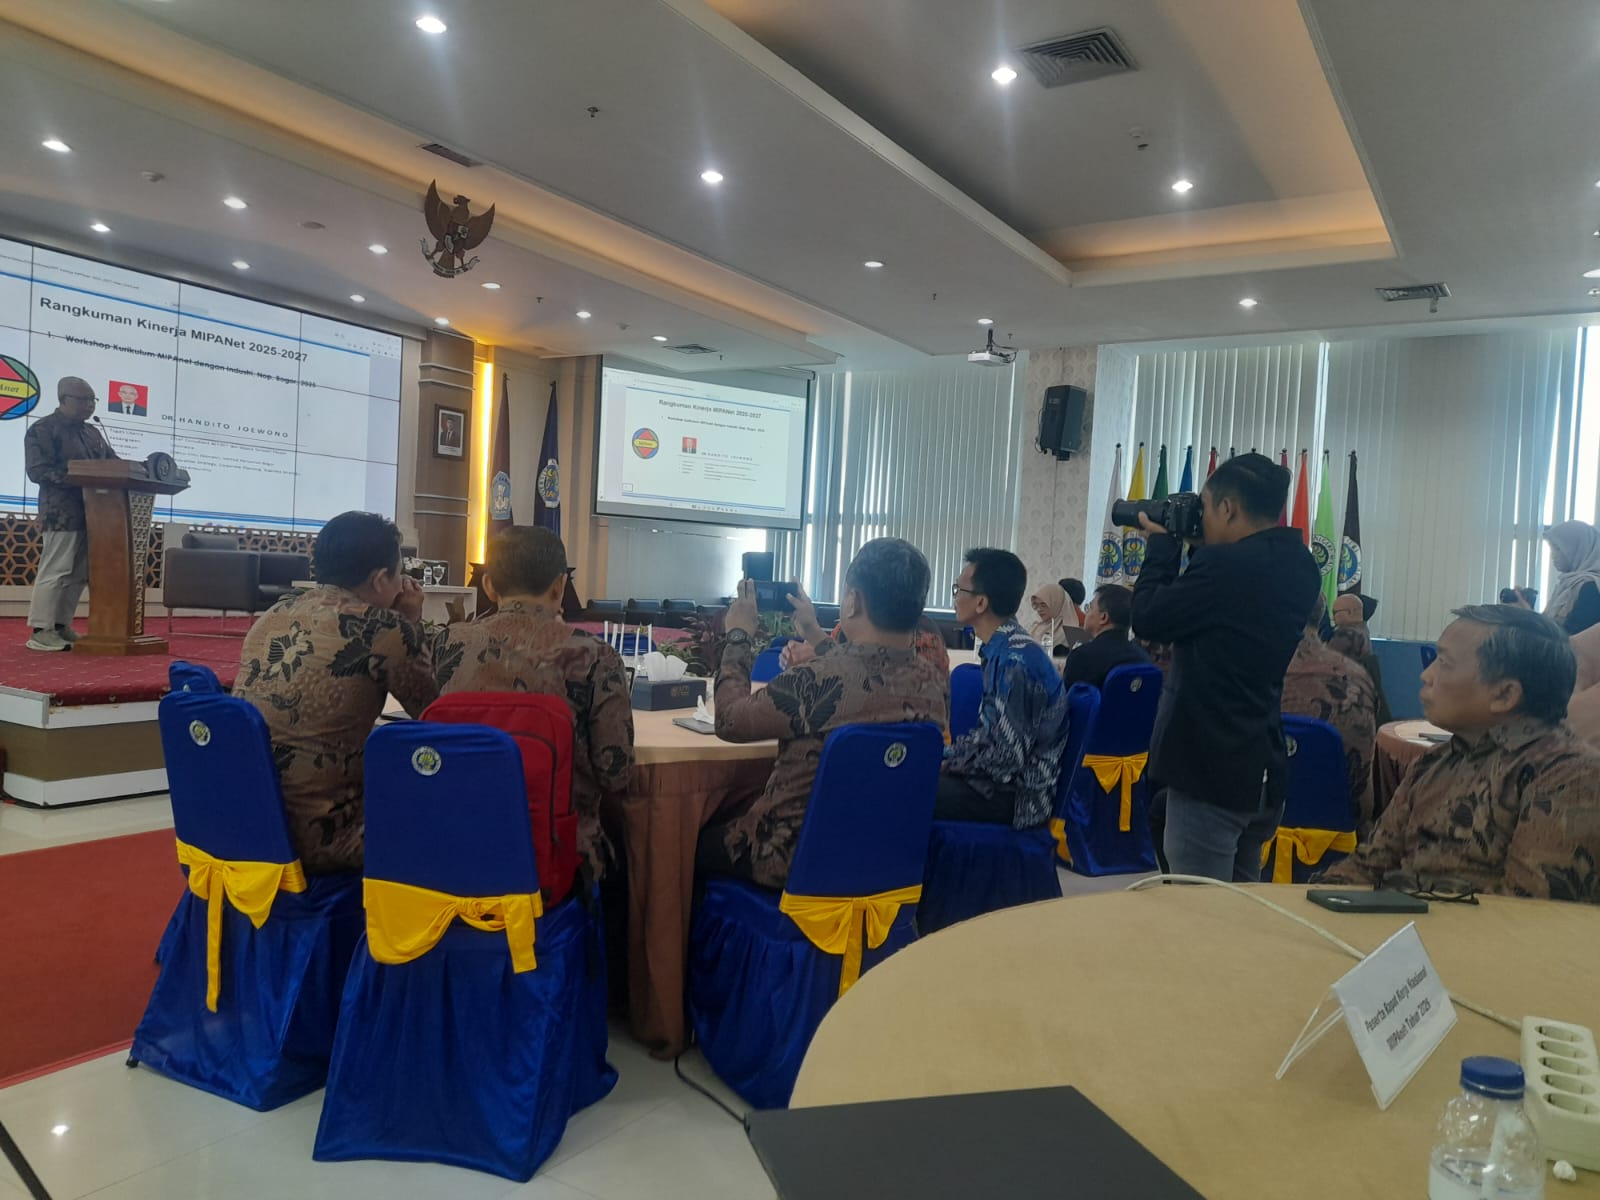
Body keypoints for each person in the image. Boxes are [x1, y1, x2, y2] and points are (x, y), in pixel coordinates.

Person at [697, 538, 947, 887]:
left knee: (685, 842)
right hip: (884, 857)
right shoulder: (933, 683)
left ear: (852, 601)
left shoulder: (811, 681)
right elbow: (864, 675)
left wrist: (738, 636)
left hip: (790, 857)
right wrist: (813, 630)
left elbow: (728, 721)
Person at [1319, 606, 1600, 903]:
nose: (1426, 675)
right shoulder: (1435, 761)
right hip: (1408, 922)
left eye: (1444, 663)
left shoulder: (1571, 776)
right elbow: (1369, 866)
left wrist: (1399, 895)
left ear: (1505, 695)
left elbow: (1531, 911)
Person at [1131, 452, 1321, 882]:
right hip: (1259, 763)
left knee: (1199, 908)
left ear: (1228, 508)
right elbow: (1231, 609)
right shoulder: (1300, 565)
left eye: (1205, 508)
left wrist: (1162, 547)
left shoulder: (1224, 568)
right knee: (1240, 901)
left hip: (1209, 769)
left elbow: (1147, 617)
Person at [234, 511, 438, 874]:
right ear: (380, 579)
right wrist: (409, 623)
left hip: (250, 819)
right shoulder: (385, 628)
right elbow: (434, 715)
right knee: (444, 803)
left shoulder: (275, 613)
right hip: (322, 834)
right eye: (399, 573)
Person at [434, 526, 634, 877]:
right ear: (559, 586)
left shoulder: (450, 643)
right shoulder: (594, 654)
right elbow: (616, 774)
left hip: (459, 845)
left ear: (489, 586)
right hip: (560, 854)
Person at [940, 549, 1068, 827]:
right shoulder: (1006, 647)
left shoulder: (1015, 661)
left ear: (981, 603)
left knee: (912, 789)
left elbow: (1006, 759)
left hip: (1019, 798)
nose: (955, 597)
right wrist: (942, 756)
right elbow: (988, 738)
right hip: (999, 784)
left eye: (959, 589)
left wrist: (949, 764)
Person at [23, 376, 118, 652]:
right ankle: (41, 630)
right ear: (64, 399)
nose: (90, 405)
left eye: (92, 400)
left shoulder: (92, 432)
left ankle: (61, 625)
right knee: (56, 571)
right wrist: (79, 478)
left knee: (78, 574)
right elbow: (38, 471)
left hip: (95, 514)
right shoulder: (43, 429)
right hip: (61, 513)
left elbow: (112, 463)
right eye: (83, 399)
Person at [1281, 593, 1379, 837]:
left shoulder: (1248, 674)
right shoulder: (1358, 679)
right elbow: (1363, 797)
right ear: (1320, 615)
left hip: (1260, 822)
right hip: (1341, 824)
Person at [1061, 584, 1150, 690]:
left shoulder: (1082, 657)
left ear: (1103, 617)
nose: (1086, 613)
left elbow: (1067, 696)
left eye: (1090, 608)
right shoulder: (1143, 658)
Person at [1327, 591, 1392, 726]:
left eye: (1335, 613)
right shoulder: (1362, 631)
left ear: (1350, 612)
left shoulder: (1346, 635)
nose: (1332, 618)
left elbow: (1325, 663)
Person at [1543, 520, 1600, 635]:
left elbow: (1573, 637)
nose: (1552, 555)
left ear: (1579, 549)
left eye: (1558, 548)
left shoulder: (1590, 587)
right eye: (1551, 548)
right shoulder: (1567, 584)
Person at [1026, 581, 1076, 648]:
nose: (1039, 609)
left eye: (1043, 605)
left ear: (1057, 604)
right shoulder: (1034, 628)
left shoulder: (1070, 633)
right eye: (1036, 605)